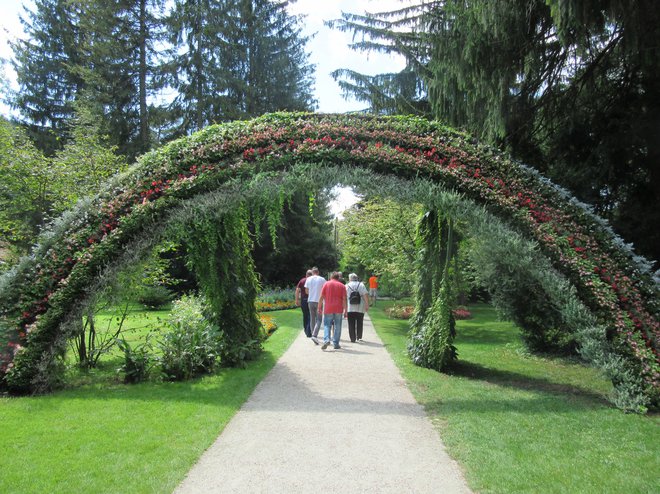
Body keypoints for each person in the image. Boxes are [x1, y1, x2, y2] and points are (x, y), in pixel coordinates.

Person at [317, 271, 347, 350]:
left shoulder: (326, 284)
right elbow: (344, 299)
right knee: (338, 326)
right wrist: (346, 310)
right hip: (338, 308)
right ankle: (336, 343)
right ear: (338, 278)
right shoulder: (342, 286)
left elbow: (321, 297)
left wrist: (319, 307)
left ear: (331, 277)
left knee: (327, 325)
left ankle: (326, 340)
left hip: (328, 308)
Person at [304, 267, 326, 344]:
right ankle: (314, 335)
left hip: (310, 300)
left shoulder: (308, 279)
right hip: (319, 301)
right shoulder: (322, 279)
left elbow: (306, 291)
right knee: (319, 319)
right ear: (318, 272)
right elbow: (325, 290)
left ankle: (313, 334)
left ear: (312, 272)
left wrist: (312, 293)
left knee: (312, 318)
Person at [346, 273, 369, 342]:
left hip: (350, 307)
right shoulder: (361, 285)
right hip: (360, 307)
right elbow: (365, 295)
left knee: (351, 323)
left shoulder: (347, 285)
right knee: (360, 322)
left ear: (350, 279)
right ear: (357, 278)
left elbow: (344, 297)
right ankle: (359, 336)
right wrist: (367, 304)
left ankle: (352, 338)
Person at [295, 269, 313, 337]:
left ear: (306, 274)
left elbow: (297, 290)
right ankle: (309, 331)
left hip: (304, 300)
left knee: (305, 315)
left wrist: (297, 300)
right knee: (310, 316)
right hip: (311, 300)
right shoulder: (312, 281)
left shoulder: (302, 280)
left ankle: (306, 330)